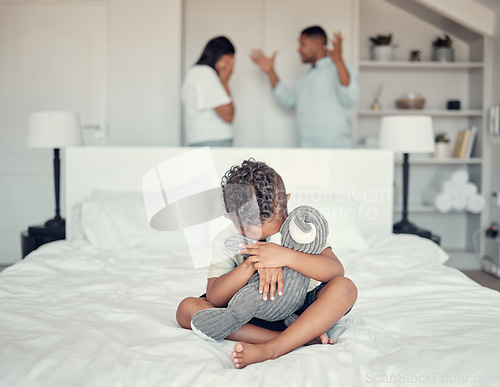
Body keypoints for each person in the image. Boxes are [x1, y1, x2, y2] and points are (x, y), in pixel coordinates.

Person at [176, 158, 357, 369]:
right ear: (231, 219)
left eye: (270, 226)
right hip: (247, 312)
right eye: (249, 228)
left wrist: (284, 256)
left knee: (346, 288)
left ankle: (274, 348)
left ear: (286, 204)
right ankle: (290, 338)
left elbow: (336, 271)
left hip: (299, 312)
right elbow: (215, 298)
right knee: (186, 309)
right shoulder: (226, 240)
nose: (261, 236)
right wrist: (254, 262)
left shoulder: (300, 229)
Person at [251, 26, 360, 148]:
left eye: (303, 44)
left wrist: (339, 61)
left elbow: (350, 96)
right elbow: (288, 101)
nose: (299, 50)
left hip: (336, 150)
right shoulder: (304, 78)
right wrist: (270, 72)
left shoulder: (341, 68)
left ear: (318, 43)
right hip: (306, 151)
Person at [182, 36, 235, 147]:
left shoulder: (194, 72)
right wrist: (224, 82)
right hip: (213, 141)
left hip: (202, 141)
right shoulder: (205, 73)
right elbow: (228, 114)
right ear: (219, 55)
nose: (231, 67)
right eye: (229, 60)